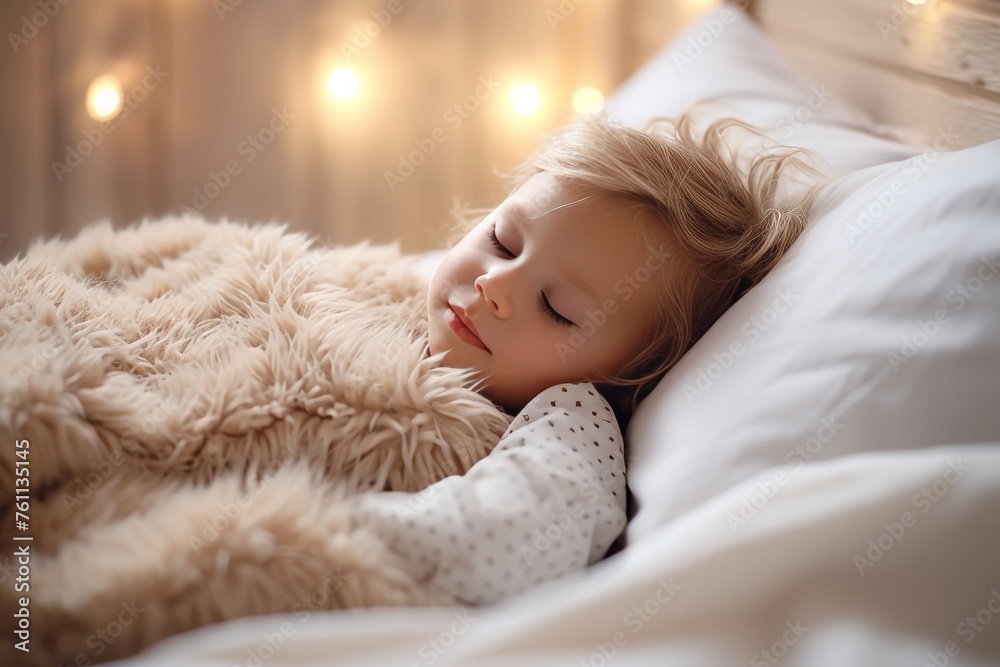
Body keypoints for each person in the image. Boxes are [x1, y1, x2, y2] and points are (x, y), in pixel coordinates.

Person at [351, 110, 823, 605]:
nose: (494, 284)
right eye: (503, 242)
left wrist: (314, 531)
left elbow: (505, 540)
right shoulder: (375, 293)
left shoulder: (572, 417)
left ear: (626, 374)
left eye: (557, 309)